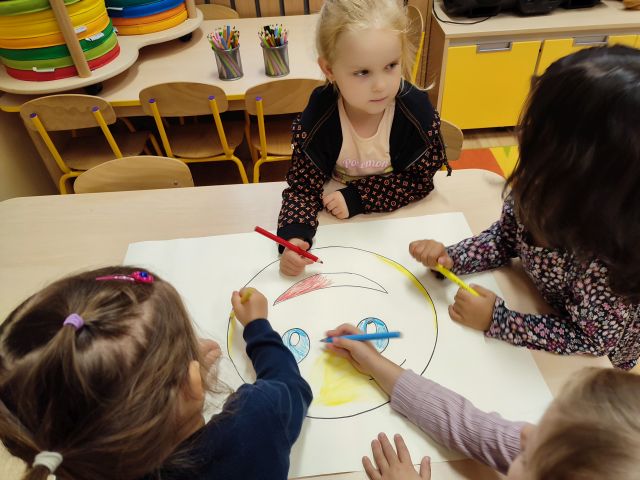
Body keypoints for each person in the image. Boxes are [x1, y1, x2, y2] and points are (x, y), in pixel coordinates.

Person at [410, 45, 640, 370]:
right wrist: (452, 258)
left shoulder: (608, 264)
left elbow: (591, 341)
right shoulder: (538, 190)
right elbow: (504, 239)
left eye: (536, 131)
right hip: (539, 300)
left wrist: (499, 320)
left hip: (595, 362)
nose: (520, 132)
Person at [0, 267, 312, 480]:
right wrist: (257, 326)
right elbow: (290, 385)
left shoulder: (77, 461)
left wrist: (177, 365)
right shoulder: (255, 420)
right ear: (192, 382)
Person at [326, 323, 640, 480]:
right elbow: (468, 426)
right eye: (540, 424)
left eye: (528, 455)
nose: (523, 432)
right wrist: (375, 363)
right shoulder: (545, 448)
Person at [277, 0, 450, 276]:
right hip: (339, 232)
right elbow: (303, 187)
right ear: (329, 69)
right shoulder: (321, 115)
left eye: (391, 65)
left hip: (401, 229)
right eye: (362, 72)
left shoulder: (415, 113)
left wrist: (358, 197)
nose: (380, 85)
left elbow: (419, 180)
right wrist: (295, 237)